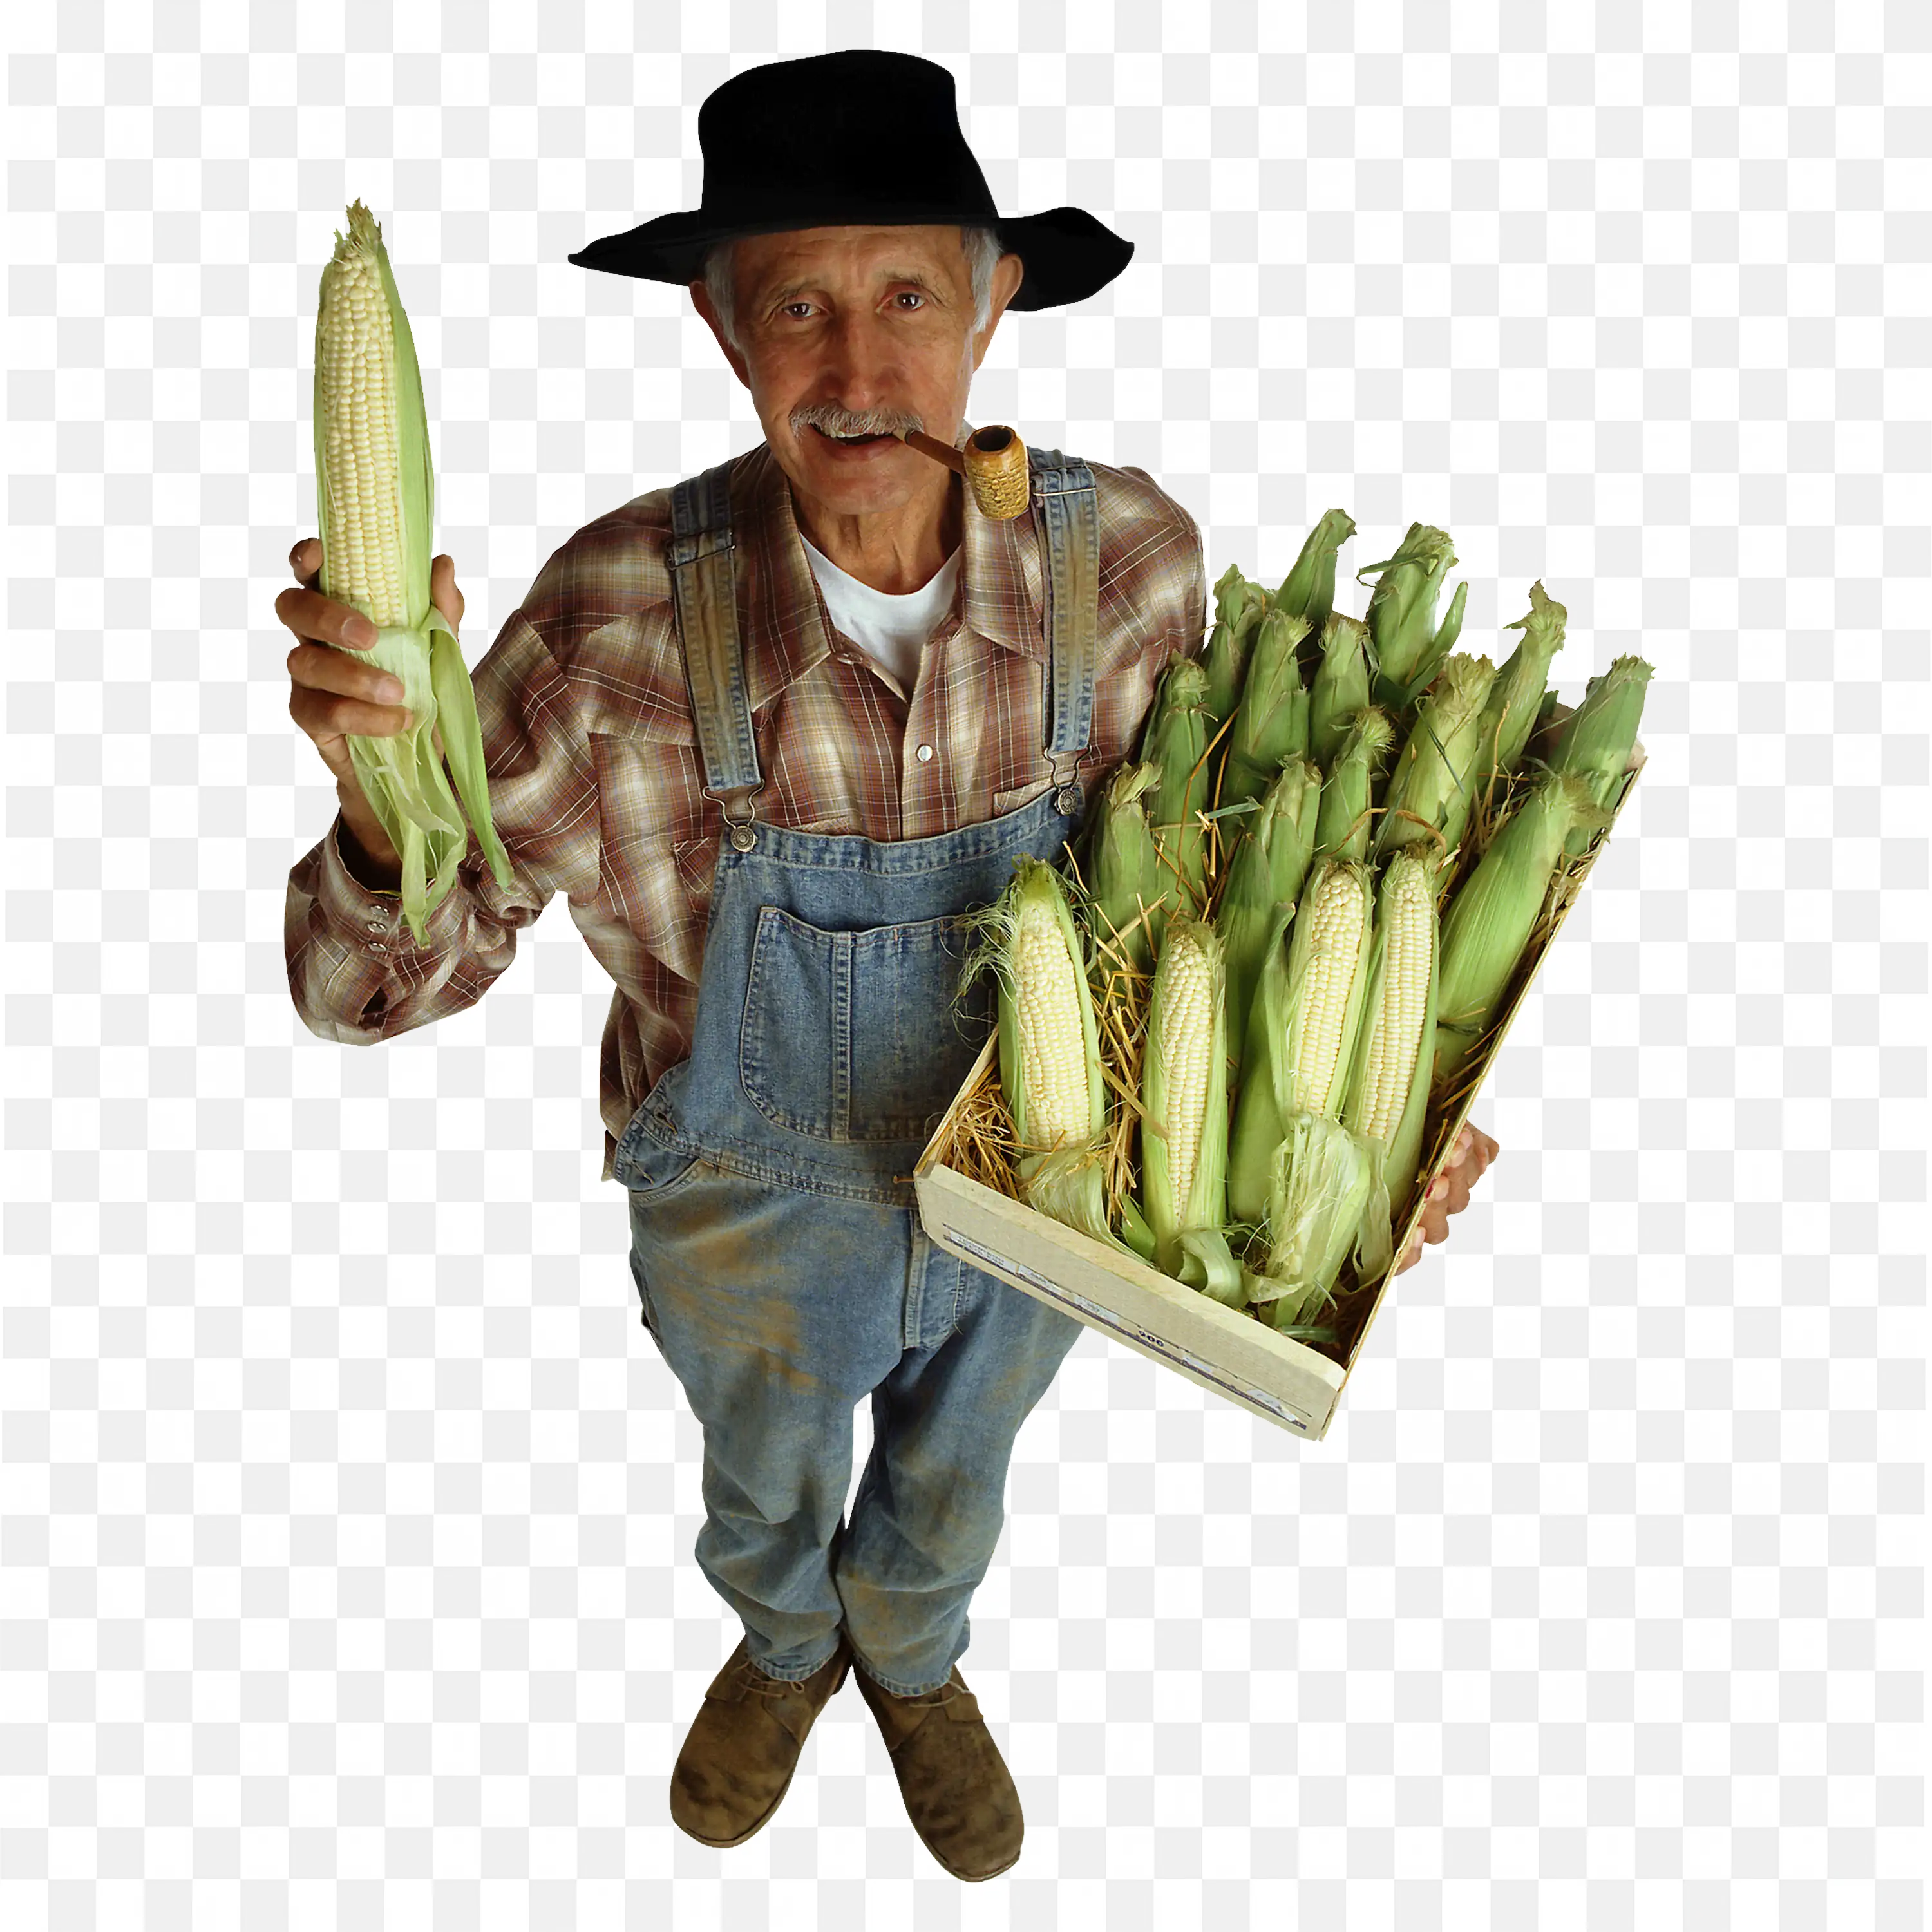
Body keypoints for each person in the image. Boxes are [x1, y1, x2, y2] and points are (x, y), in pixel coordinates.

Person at [279, 48, 1497, 1884]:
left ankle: (911, 1650)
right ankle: (785, 1642)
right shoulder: (614, 620)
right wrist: (389, 802)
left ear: (996, 304)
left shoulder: (1145, 577)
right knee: (765, 1477)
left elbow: (1264, 920)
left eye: (913, 294)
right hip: (745, 1236)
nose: (860, 371)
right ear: (720, 329)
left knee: (957, 1474)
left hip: (1051, 1214)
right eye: (800, 307)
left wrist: (1397, 1128)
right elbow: (370, 991)